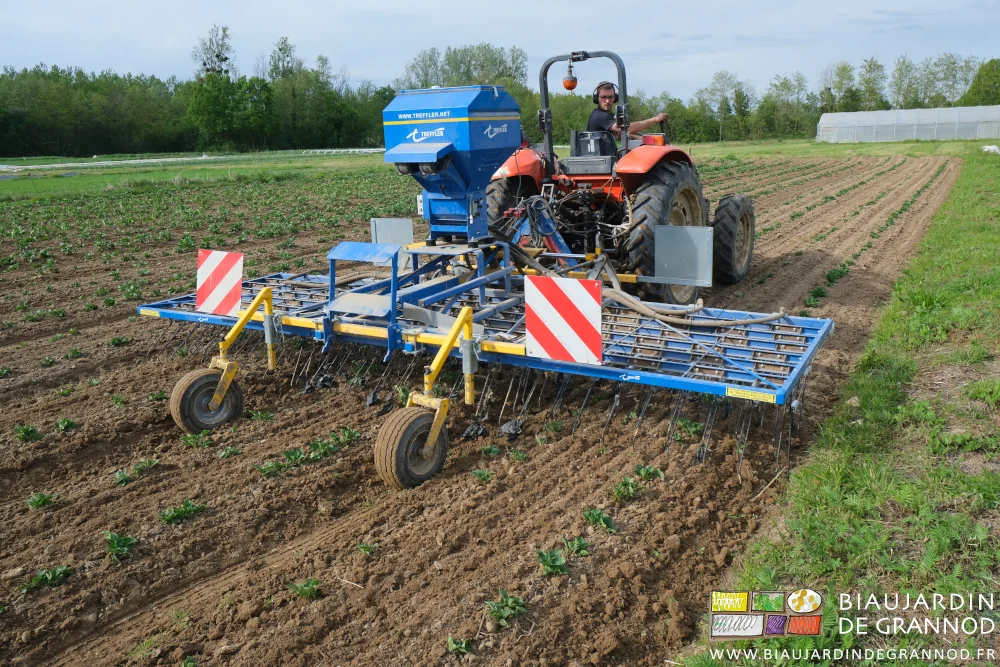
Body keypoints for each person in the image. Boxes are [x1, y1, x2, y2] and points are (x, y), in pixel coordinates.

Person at [586, 81, 668, 140]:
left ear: (615, 98)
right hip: (602, 160)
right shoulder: (600, 116)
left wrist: (643, 139)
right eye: (603, 97)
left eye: (610, 97)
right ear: (597, 99)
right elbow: (626, 129)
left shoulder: (609, 116)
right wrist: (655, 119)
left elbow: (621, 135)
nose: (607, 101)